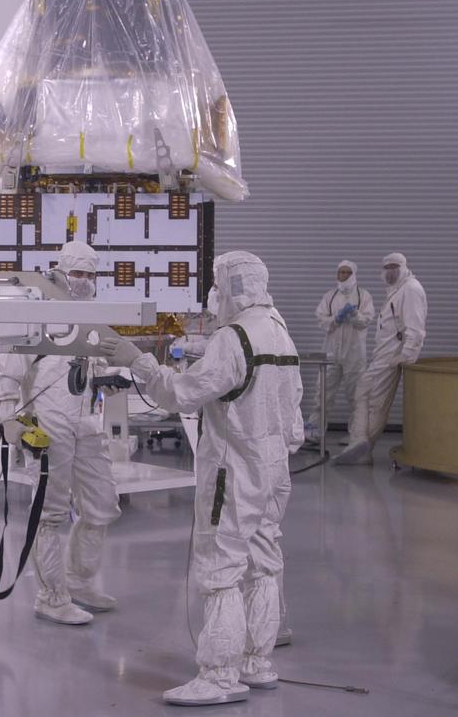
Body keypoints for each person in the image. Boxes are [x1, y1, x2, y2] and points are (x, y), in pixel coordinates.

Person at [102, 251, 304, 706]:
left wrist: (140, 363)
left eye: (216, 284)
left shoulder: (234, 337)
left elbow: (181, 394)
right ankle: (256, 661)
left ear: (233, 286)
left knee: (221, 567)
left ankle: (219, 675)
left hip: (234, 471)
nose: (213, 294)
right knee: (264, 560)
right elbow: (292, 412)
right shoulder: (279, 329)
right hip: (273, 469)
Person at [0, 241, 121, 626]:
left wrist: (108, 377)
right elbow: (11, 365)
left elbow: (93, 366)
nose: (83, 281)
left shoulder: (90, 316)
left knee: (102, 505)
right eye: (77, 273)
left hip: (86, 420)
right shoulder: (38, 313)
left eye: (90, 275)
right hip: (48, 421)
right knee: (49, 513)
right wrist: (7, 414)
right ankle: (51, 596)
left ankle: (79, 581)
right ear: (60, 272)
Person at [334, 253, 427, 466]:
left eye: (394, 267)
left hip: (392, 357)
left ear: (404, 267)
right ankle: (359, 442)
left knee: (376, 402)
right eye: (386, 268)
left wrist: (406, 356)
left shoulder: (410, 289)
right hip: (383, 355)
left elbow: (415, 328)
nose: (390, 272)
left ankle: (363, 447)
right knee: (363, 392)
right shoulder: (397, 290)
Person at [314, 260, 374, 424]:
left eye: (348, 272)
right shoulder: (330, 296)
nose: (344, 275)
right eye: (342, 272)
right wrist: (336, 319)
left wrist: (355, 315)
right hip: (331, 351)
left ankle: (357, 433)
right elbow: (321, 319)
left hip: (354, 353)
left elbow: (366, 321)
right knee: (323, 392)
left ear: (354, 274)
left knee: (357, 395)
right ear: (337, 274)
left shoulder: (363, 296)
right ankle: (316, 431)